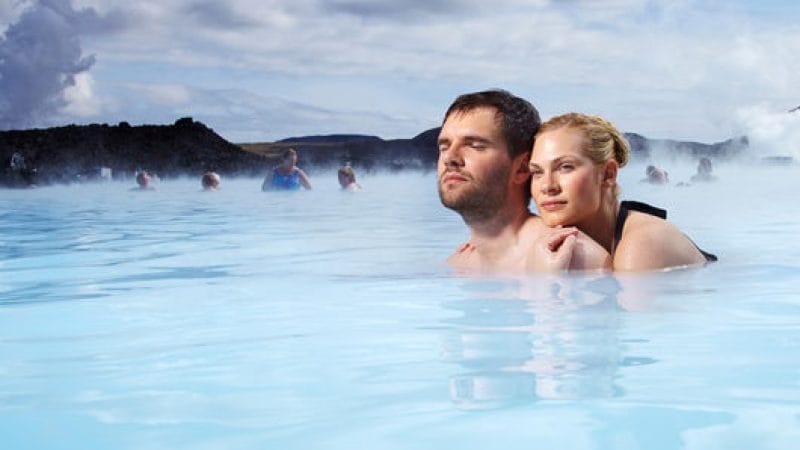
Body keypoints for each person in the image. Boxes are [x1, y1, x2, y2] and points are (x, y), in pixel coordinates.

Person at [437, 89, 612, 274]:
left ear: (522, 168)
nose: (449, 158)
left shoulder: (575, 256)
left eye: (475, 146)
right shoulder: (458, 264)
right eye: (444, 146)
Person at [528, 112, 717, 272]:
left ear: (608, 174)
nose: (547, 186)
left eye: (565, 167)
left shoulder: (640, 246)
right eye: (537, 172)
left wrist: (550, 285)